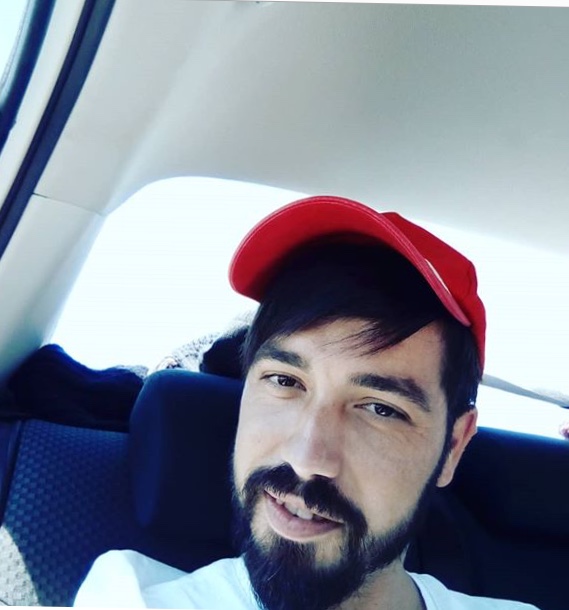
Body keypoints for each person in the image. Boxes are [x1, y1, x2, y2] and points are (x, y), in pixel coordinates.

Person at [74, 195, 539, 609]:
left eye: (380, 408)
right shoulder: (132, 597)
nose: (307, 459)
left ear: (453, 447)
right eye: (284, 380)